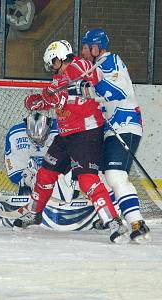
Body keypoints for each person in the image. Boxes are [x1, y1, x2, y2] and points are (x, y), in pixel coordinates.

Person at [15, 40, 127, 243]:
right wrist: (38, 100)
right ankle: (34, 213)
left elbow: (83, 81)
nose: (51, 67)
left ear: (59, 58)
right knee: (45, 174)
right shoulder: (58, 80)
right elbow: (50, 96)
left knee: (86, 179)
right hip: (66, 135)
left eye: (52, 62)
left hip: (86, 133)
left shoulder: (81, 65)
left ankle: (113, 221)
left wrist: (61, 93)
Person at [81, 28, 150, 242]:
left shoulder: (109, 61)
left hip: (125, 125)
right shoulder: (97, 65)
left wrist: (90, 87)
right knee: (101, 175)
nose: (82, 51)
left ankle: (137, 222)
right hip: (113, 128)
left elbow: (118, 91)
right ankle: (113, 215)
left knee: (114, 174)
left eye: (85, 47)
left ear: (95, 48)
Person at [5, 112, 80, 201]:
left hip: (58, 171)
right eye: (33, 138)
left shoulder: (64, 130)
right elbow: (15, 168)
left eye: (42, 137)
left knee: (73, 190)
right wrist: (26, 181)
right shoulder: (15, 134)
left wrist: (76, 180)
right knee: (26, 187)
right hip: (35, 174)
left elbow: (78, 156)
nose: (37, 142)